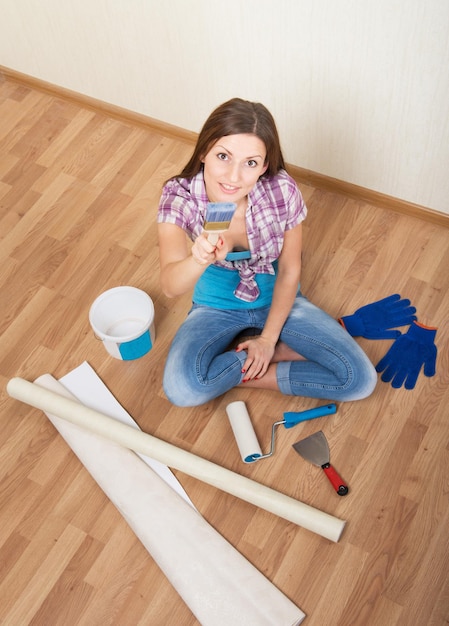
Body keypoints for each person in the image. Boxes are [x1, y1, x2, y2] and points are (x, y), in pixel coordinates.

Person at [157, 97, 377, 407]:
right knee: (182, 390)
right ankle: (266, 358)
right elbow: (170, 285)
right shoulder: (180, 196)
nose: (233, 177)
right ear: (204, 151)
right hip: (214, 306)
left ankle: (249, 365)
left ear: (263, 166)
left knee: (360, 381)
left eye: (250, 163)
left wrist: (268, 341)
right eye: (223, 156)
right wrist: (198, 257)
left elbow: (289, 270)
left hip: (278, 299)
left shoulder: (280, 191)